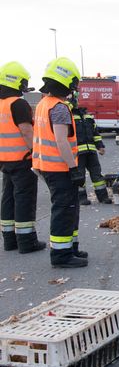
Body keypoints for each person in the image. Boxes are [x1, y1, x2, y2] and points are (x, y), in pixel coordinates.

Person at [32, 57, 87, 268]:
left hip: (46, 166)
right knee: (64, 209)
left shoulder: (42, 104)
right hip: (60, 167)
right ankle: (61, 255)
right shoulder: (60, 108)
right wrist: (74, 168)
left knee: (70, 207)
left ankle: (70, 247)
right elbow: (61, 140)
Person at [0, 61, 45, 254]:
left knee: (7, 198)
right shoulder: (18, 104)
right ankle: (27, 242)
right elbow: (26, 132)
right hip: (23, 158)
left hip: (5, 160)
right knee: (24, 199)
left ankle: (9, 241)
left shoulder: (1, 104)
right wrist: (37, 155)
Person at [69, 94, 111, 205]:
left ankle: (103, 197)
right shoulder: (69, 117)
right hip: (78, 152)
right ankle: (81, 198)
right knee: (80, 175)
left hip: (91, 151)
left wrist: (100, 146)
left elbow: (95, 134)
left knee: (97, 175)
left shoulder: (88, 117)